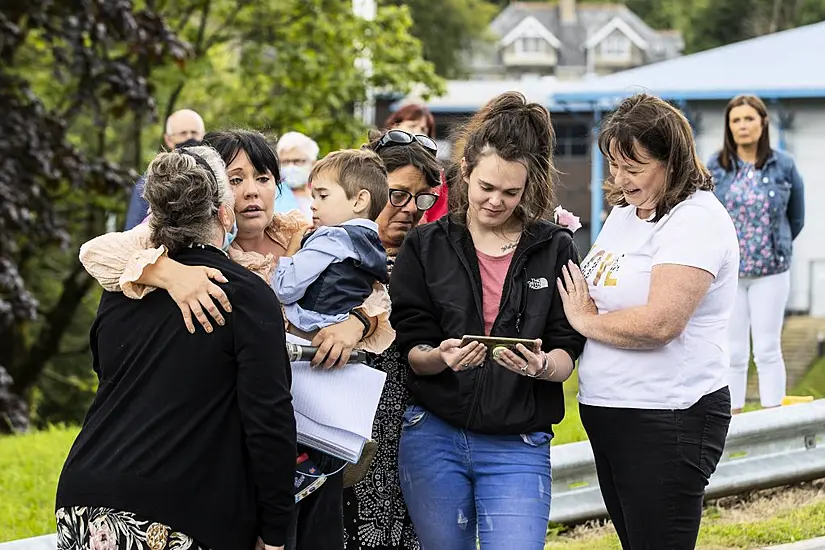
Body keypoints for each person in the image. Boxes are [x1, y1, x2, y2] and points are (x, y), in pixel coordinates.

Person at [77, 129, 393, 550]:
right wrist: (169, 273)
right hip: (229, 452)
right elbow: (97, 252)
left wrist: (357, 322)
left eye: (264, 178)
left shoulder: (304, 233)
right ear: (217, 194)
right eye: (237, 178)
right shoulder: (176, 244)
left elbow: (374, 287)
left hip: (317, 439)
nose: (252, 192)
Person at [57, 146, 295, 550]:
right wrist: (276, 531)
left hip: (83, 500)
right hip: (176, 513)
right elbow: (269, 421)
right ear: (224, 213)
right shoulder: (243, 295)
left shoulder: (124, 289)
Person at [388, 91, 587, 550]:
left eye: (511, 193)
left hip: (517, 441)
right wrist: (442, 356)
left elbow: (566, 349)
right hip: (434, 434)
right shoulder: (427, 244)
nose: (496, 202)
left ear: (527, 188)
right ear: (465, 174)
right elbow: (413, 348)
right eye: (486, 188)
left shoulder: (554, 246)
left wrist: (540, 367)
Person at [557, 93, 738, 549]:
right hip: (612, 411)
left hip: (667, 416)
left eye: (633, 167)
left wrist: (583, 321)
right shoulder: (626, 212)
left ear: (672, 160)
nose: (619, 178)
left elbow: (661, 323)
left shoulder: (695, 220)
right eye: (614, 165)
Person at [342, 130, 443, 550]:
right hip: (347, 429)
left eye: (422, 199)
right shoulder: (332, 252)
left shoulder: (435, 258)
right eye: (398, 195)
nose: (409, 211)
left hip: (417, 430)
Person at [707, 95, 806, 414]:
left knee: (766, 348)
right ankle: (732, 425)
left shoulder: (784, 165)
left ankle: (772, 420)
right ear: (729, 127)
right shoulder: (715, 167)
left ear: (763, 123)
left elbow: (796, 217)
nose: (742, 126)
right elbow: (707, 216)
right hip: (730, 275)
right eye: (735, 120)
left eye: (749, 119)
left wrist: (778, 246)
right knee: (733, 352)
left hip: (771, 272)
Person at [273, 148, 390, 336]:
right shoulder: (371, 242)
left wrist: (292, 249)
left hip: (309, 332)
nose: (313, 204)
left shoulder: (331, 238)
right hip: (346, 335)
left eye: (323, 196)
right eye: (313, 197)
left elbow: (285, 289)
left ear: (360, 201)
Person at [125, 109, 206, 229]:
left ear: (203, 135)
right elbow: (134, 228)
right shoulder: (150, 182)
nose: (190, 137)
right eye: (183, 133)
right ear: (168, 140)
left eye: (194, 133)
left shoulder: (218, 174)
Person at [384, 104, 447, 224]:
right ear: (393, 127)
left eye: (424, 130)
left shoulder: (436, 178)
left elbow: (439, 216)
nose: (417, 132)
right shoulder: (373, 163)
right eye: (412, 126)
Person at [275, 131, 319, 221]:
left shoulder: (322, 192)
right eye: (285, 162)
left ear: (313, 163)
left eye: (297, 161)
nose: (291, 167)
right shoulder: (274, 195)